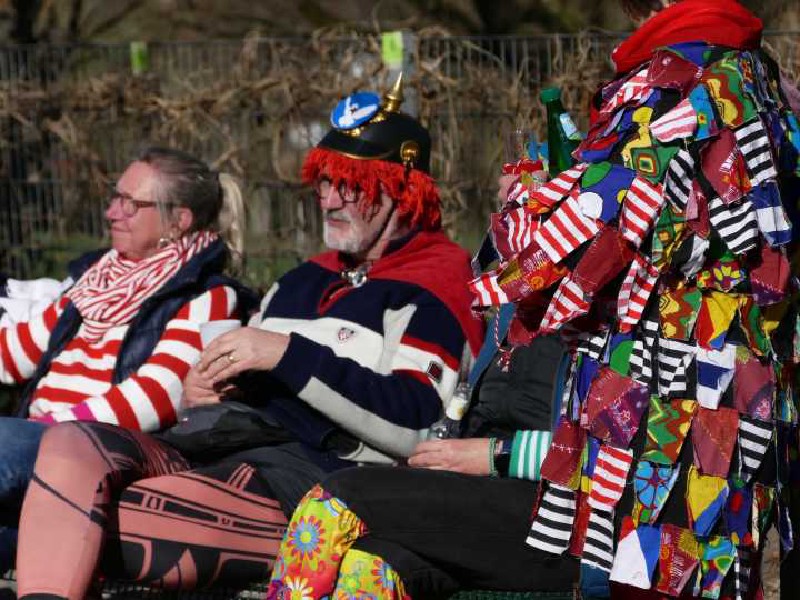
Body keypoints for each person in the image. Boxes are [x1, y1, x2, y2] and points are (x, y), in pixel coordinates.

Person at [264, 1, 800, 599]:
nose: (330, 200)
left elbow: (569, 248)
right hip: (688, 458)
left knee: (334, 503)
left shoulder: (678, 82)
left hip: (633, 474)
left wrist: (529, 208)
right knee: (373, 566)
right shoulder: (759, 88)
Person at [14, 78, 484, 598]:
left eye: (351, 184)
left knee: (95, 518)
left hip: (315, 479)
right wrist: (202, 390)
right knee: (69, 445)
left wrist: (287, 354)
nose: (328, 200)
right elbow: (243, 376)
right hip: (215, 444)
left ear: (404, 191)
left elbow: (417, 425)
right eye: (323, 182)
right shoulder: (303, 277)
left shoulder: (436, 284)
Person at [0, 146, 250, 572]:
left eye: (131, 204)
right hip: (34, 440)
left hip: (103, 451)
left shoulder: (208, 295)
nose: (112, 213)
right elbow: (15, 353)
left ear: (178, 221)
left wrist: (54, 429)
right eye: (114, 198)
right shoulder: (96, 281)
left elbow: (156, 395)